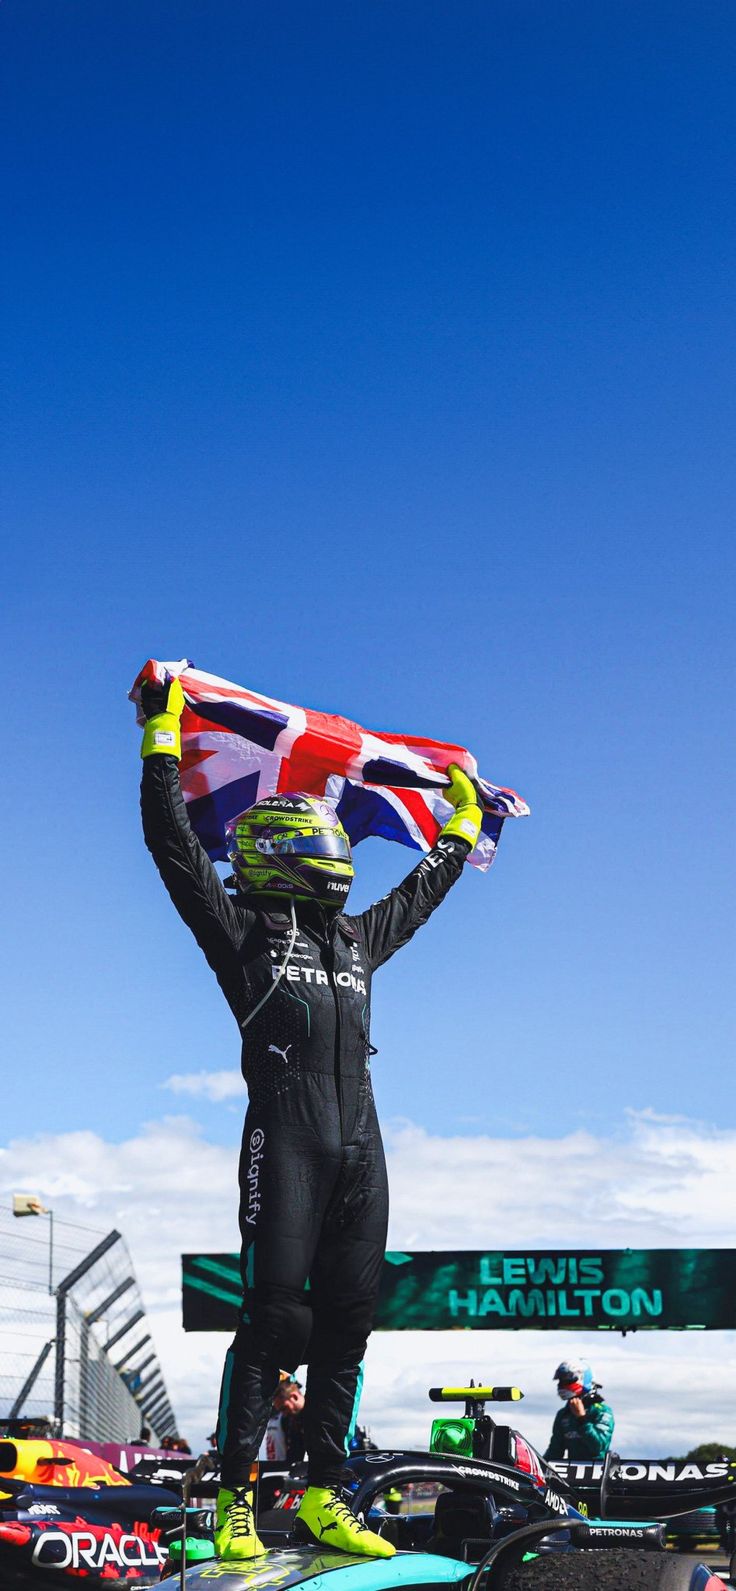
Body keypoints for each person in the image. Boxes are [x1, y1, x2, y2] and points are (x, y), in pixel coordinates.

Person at [139, 674, 483, 1562]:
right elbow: (174, 848)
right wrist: (163, 739)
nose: (336, 849)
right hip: (284, 1146)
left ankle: (329, 1495)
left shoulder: (357, 940)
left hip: (363, 1155)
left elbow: (425, 894)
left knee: (349, 1324)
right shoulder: (244, 932)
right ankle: (233, 1502)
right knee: (275, 1327)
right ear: (281, 851)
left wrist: (464, 824)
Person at [544, 1360, 614, 1461]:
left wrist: (582, 1419)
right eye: (560, 1381)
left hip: (598, 1471)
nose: (562, 1385)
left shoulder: (602, 1411)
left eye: (566, 1380)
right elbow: (554, 1452)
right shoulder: (563, 1414)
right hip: (572, 1473)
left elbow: (599, 1447)